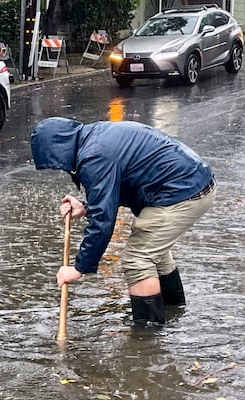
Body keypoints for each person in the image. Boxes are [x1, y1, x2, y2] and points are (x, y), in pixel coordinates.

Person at [30, 117, 216, 326]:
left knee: (137, 259)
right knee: (154, 251)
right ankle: (175, 311)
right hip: (193, 182)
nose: (60, 170)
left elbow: (103, 220)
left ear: (58, 150)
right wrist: (85, 206)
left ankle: (147, 337)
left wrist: (78, 268)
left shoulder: (94, 156)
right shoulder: (94, 137)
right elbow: (111, 191)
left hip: (182, 192)